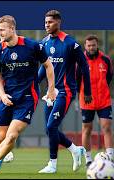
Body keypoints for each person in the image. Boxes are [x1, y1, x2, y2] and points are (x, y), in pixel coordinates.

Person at [0, 15, 56, 175]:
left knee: (12, 134)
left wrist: (51, 89)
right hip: (7, 97)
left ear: (12, 29)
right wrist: (2, 95)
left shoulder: (32, 46)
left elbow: (48, 66)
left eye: (2, 30)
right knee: (0, 137)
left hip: (27, 98)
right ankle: (4, 152)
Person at [37, 10, 92, 173]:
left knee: (52, 126)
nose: (47, 25)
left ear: (58, 22)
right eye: (46, 22)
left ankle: (52, 165)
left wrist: (87, 91)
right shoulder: (45, 42)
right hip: (50, 92)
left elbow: (84, 67)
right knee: (49, 129)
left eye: (50, 22)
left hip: (66, 91)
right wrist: (33, 84)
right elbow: (44, 68)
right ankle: (76, 150)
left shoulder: (70, 43)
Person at [76, 34, 113, 167]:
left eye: (93, 45)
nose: (91, 47)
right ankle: (88, 159)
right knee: (87, 129)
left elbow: (109, 77)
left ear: (97, 45)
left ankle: (110, 158)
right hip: (87, 101)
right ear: (85, 46)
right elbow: (77, 80)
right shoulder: (80, 62)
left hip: (104, 100)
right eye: (89, 45)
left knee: (107, 127)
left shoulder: (105, 59)